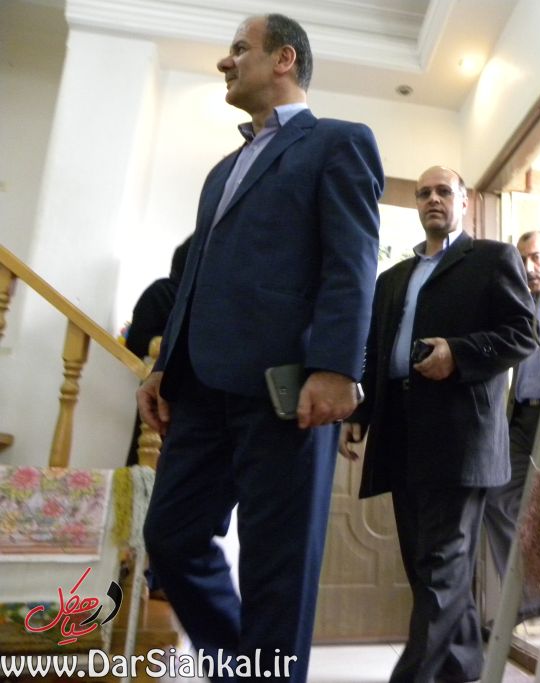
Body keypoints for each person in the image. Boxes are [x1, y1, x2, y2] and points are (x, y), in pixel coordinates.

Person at [137, 13, 383, 681]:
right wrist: (163, 368)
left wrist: (336, 367)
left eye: (239, 49)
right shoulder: (222, 171)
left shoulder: (339, 141)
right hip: (199, 388)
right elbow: (194, 278)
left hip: (287, 390)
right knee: (170, 538)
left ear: (283, 59)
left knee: (278, 569)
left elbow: (352, 262)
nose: (226, 61)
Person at [339, 166, 536, 683]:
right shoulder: (392, 280)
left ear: (464, 202)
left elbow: (523, 333)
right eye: (424, 193)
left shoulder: (493, 259)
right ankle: (462, 673)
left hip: (461, 440)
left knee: (441, 572)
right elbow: (376, 353)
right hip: (400, 436)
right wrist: (360, 415)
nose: (432, 199)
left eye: (443, 191)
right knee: (428, 571)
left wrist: (459, 353)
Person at [481, 230, 540, 633]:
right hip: (520, 418)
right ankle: (530, 600)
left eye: (536, 257)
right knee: (497, 496)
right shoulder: (517, 305)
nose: (528, 267)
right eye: (522, 260)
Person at [124, 236, 191, 466]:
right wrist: (164, 346)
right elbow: (136, 340)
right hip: (162, 383)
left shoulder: (204, 303)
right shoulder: (162, 292)